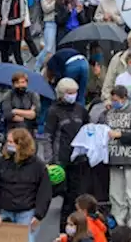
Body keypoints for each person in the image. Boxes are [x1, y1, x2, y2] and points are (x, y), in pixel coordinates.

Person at [0, 128, 52, 241]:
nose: (8, 144)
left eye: (11, 142)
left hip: (27, 213)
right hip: (5, 211)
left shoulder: (38, 166)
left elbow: (44, 192)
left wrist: (38, 215)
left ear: (21, 144)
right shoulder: (3, 162)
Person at [101, 84, 131, 230]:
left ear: (124, 98)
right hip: (115, 157)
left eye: (116, 99)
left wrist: (121, 135)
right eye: (112, 99)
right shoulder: (109, 113)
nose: (114, 102)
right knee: (115, 193)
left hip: (130, 158)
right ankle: (118, 221)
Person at [45, 78, 88, 232]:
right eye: (69, 93)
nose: (73, 95)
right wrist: (50, 160)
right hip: (61, 161)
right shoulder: (53, 111)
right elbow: (48, 136)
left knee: (75, 197)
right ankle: (64, 231)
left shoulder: (80, 109)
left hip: (78, 159)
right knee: (60, 197)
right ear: (62, 94)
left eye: (74, 92)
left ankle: (72, 231)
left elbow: (87, 130)